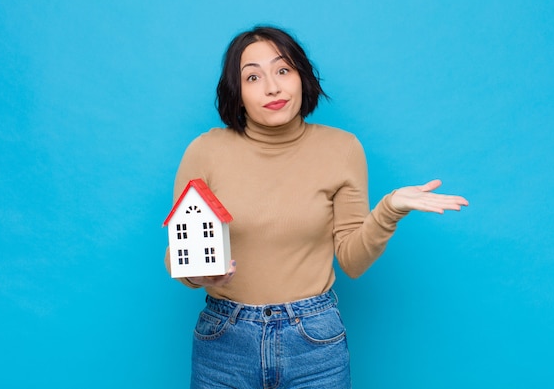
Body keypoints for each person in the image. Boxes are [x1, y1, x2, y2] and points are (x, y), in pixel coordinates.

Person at [165, 25, 469, 388]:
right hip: (225, 339)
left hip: (313, 339)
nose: (272, 87)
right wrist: (199, 274)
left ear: (301, 78)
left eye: (283, 70)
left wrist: (389, 210)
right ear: (238, 92)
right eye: (253, 77)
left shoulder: (342, 149)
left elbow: (352, 261)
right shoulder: (205, 151)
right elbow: (178, 254)